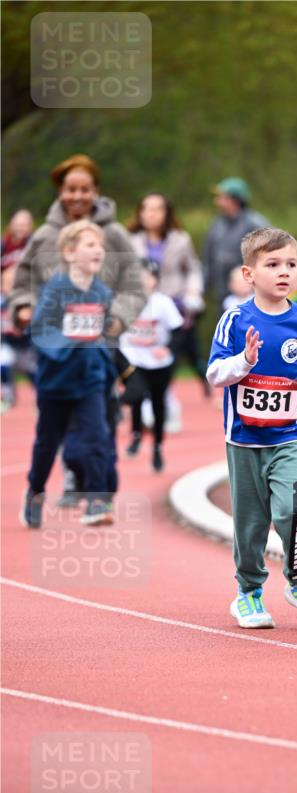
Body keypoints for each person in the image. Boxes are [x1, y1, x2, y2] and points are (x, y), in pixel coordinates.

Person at [206, 227, 297, 628]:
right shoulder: (234, 321)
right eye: (272, 265)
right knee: (249, 524)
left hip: (289, 437)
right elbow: (215, 374)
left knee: (294, 511)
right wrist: (244, 362)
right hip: (244, 440)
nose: (284, 272)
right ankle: (248, 593)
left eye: (291, 264)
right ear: (249, 274)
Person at [9, 154, 146, 504]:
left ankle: (100, 487)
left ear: (96, 191)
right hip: (56, 345)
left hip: (101, 344)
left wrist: (116, 317)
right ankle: (72, 479)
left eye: (85, 189)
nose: (77, 196)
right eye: (70, 189)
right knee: (60, 418)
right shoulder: (44, 236)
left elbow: (134, 286)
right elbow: (21, 282)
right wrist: (23, 307)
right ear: (60, 192)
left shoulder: (113, 235)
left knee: (99, 416)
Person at [22, 221, 115, 528]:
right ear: (69, 252)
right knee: (47, 444)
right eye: (90, 245)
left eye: (100, 245)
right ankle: (35, 491)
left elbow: (100, 335)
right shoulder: (56, 290)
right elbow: (40, 330)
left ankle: (97, 501)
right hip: (56, 382)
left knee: (97, 437)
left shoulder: (101, 291)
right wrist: (71, 344)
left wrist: (104, 360)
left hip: (90, 380)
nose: (97, 250)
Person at [127, 192, 207, 394]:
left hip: (175, 306)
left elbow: (193, 269)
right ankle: (145, 401)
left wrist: (193, 291)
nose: (151, 214)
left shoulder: (180, 240)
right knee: (142, 352)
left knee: (179, 352)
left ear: (166, 213)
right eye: (146, 209)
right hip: (144, 309)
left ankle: (167, 398)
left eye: (157, 209)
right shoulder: (130, 240)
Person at [122, 259, 184, 472]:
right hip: (135, 359)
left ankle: (157, 447)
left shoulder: (163, 303)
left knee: (158, 405)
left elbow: (178, 330)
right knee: (136, 396)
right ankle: (136, 435)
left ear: (155, 280)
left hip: (159, 363)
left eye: (147, 276)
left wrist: (167, 349)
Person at [203, 177, 269, 308]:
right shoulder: (216, 224)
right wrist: (203, 286)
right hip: (222, 292)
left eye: (222, 196)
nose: (217, 201)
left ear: (235, 199)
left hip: (249, 293)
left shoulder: (255, 223)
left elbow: (269, 256)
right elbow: (208, 257)